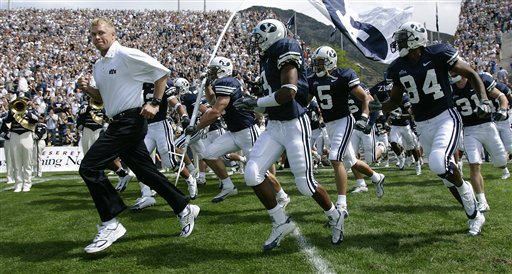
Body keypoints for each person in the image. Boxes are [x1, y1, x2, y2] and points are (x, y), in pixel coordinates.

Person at [77, 17, 199, 254]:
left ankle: (110, 223)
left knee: (89, 167)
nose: (97, 37)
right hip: (117, 121)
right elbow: (102, 98)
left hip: (130, 121)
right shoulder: (98, 65)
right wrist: (87, 89)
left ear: (113, 34)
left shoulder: (125, 54)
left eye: (101, 32)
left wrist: (154, 102)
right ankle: (183, 207)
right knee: (147, 173)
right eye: (93, 34)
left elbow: (161, 73)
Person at [233, 19, 344, 250]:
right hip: (275, 125)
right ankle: (280, 222)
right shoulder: (267, 57)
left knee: (305, 185)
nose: (256, 42)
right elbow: (270, 102)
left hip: (295, 124)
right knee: (252, 173)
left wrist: (255, 102)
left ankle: (335, 215)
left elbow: (288, 92)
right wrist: (252, 104)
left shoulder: (285, 47)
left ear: (272, 35)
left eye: (259, 37)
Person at [372, 21, 490, 236]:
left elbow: (472, 74)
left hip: (446, 116)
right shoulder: (398, 67)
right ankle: (474, 214)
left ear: (416, 39)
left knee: (438, 162)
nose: (398, 43)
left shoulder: (439, 53)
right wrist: (379, 106)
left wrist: (483, 99)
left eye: (402, 38)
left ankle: (468, 196)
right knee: (445, 176)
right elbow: (396, 99)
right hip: (423, 124)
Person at [187, 57, 289, 206]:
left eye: (214, 70)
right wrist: (208, 84)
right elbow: (212, 102)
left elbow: (216, 111)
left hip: (247, 132)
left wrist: (196, 127)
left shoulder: (227, 82)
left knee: (258, 170)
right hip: (233, 132)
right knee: (208, 154)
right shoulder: (222, 83)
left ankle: (282, 195)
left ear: (223, 70)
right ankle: (228, 186)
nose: (212, 73)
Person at [307, 46, 385, 208]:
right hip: (329, 124)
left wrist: (364, 117)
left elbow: (365, 98)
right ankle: (377, 177)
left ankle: (341, 204)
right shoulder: (312, 80)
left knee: (335, 158)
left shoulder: (343, 75)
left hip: (344, 120)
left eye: (320, 62)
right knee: (351, 161)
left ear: (330, 62)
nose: (317, 66)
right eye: (316, 62)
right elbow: (305, 102)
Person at [131, 80, 198, 211]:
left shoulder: (161, 83)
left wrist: (184, 116)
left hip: (161, 126)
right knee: (138, 160)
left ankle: (190, 179)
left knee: (170, 162)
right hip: (145, 127)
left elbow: (176, 103)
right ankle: (146, 194)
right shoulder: (137, 84)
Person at [451, 71, 509, 212]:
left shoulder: (479, 80)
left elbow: (502, 96)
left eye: (454, 71)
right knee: (474, 165)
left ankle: (505, 164)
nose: (452, 74)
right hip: (469, 130)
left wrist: (502, 109)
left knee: (501, 162)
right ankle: (482, 200)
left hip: (488, 127)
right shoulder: (449, 88)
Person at [76, 96, 134, 192]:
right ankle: (121, 175)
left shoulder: (105, 107)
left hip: (99, 131)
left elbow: (108, 119)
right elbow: (80, 117)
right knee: (89, 158)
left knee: (101, 157)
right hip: (88, 132)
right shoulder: (86, 107)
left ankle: (120, 174)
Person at [1, 97, 39, 192]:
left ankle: (27, 183)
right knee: (16, 162)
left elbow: (35, 120)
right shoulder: (12, 112)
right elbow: (7, 121)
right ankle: (18, 184)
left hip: (27, 136)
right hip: (15, 135)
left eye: (25, 101)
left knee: (27, 161)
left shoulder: (31, 112)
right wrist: (12, 113)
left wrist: (26, 112)